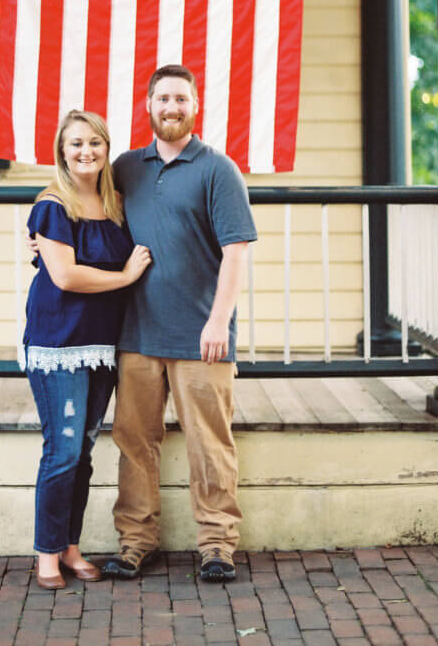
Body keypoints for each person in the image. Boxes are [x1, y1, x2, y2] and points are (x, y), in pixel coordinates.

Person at [102, 64, 257, 583]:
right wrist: (41, 234)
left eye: (181, 99)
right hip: (137, 334)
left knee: (209, 444)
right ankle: (135, 541)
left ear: (195, 107)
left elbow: (236, 251)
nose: (171, 107)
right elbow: (80, 201)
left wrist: (219, 321)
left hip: (201, 336)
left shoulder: (218, 168)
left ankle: (216, 544)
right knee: (134, 442)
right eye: (163, 98)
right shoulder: (125, 168)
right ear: (148, 106)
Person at [23, 109, 151, 590]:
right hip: (60, 343)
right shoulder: (53, 205)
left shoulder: (116, 201)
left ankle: (71, 546)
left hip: (103, 345)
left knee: (84, 450)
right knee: (62, 451)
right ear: (62, 150)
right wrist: (124, 277)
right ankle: (46, 554)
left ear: (106, 149)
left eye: (95, 143)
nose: (86, 152)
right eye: (76, 144)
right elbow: (65, 275)